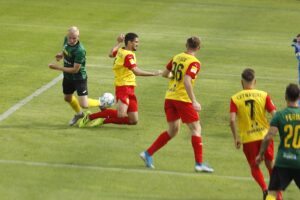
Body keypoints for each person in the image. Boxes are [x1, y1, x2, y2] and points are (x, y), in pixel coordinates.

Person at [139, 36, 214, 173]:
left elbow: (165, 74)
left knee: (173, 130)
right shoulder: (195, 63)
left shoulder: (177, 57)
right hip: (182, 99)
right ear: (198, 48)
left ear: (186, 45)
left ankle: (148, 153)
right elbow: (187, 80)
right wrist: (194, 101)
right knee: (196, 129)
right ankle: (199, 164)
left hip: (170, 97)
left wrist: (174, 78)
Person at [78, 33, 162, 127]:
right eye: (136, 42)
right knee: (121, 115)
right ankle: (90, 117)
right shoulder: (128, 56)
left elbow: (111, 54)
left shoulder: (121, 50)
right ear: (129, 42)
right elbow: (136, 72)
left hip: (130, 88)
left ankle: (103, 120)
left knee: (133, 121)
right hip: (123, 87)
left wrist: (118, 43)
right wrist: (154, 73)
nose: (138, 44)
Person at [229, 68, 281, 200]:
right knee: (271, 165)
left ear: (242, 82)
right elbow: (275, 115)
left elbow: (232, 119)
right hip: (265, 136)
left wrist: (236, 138)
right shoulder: (264, 95)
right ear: (255, 81)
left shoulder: (235, 98)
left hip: (248, 138)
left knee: (254, 166)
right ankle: (278, 196)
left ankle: (264, 189)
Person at [48, 26, 100, 125]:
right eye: (70, 38)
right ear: (67, 36)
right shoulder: (66, 40)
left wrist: (58, 67)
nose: (71, 40)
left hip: (79, 78)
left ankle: (101, 102)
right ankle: (79, 114)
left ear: (78, 37)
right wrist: (61, 55)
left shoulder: (80, 50)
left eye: (74, 38)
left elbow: (75, 70)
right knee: (67, 98)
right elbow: (65, 50)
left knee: (84, 104)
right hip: (68, 77)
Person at [256, 83, 300, 200]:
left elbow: (268, 136)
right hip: (299, 161)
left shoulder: (280, 116)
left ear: (285, 97)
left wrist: (260, 154)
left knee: (272, 193)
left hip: (283, 161)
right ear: (299, 97)